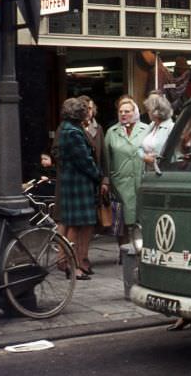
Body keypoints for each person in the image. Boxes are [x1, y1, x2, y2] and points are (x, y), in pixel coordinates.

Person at [57, 98, 102, 280]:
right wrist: (97, 175)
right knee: (75, 226)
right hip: (78, 183)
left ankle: (72, 264)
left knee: (74, 225)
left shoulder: (67, 129)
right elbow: (84, 160)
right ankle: (73, 266)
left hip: (72, 182)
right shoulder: (73, 132)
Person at [104, 97, 149, 253]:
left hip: (141, 181)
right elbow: (106, 159)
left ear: (135, 112)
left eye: (127, 111)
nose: (123, 114)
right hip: (120, 183)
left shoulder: (146, 129)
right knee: (122, 221)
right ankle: (124, 253)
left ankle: (142, 250)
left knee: (141, 218)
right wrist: (107, 180)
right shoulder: (112, 132)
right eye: (121, 111)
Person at [78, 95, 105, 274]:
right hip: (81, 181)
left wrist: (105, 180)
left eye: (90, 108)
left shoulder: (98, 128)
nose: (88, 112)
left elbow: (103, 156)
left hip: (94, 181)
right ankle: (73, 259)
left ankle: (84, 256)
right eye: (85, 108)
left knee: (90, 223)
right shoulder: (75, 129)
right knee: (76, 224)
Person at [139, 92, 175, 170]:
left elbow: (174, 155)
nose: (147, 112)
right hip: (148, 172)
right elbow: (138, 147)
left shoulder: (171, 127)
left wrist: (153, 159)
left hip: (164, 172)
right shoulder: (151, 126)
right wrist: (144, 157)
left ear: (156, 111)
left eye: (148, 110)